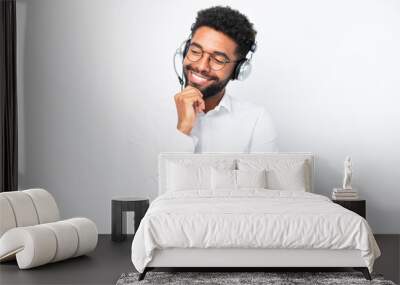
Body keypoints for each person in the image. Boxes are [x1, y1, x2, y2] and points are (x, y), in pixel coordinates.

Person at [171, 6, 278, 153]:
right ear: (185, 51)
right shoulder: (153, 117)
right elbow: (165, 177)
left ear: (238, 70)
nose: (201, 66)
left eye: (218, 59)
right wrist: (183, 129)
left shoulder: (256, 121)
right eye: (195, 51)